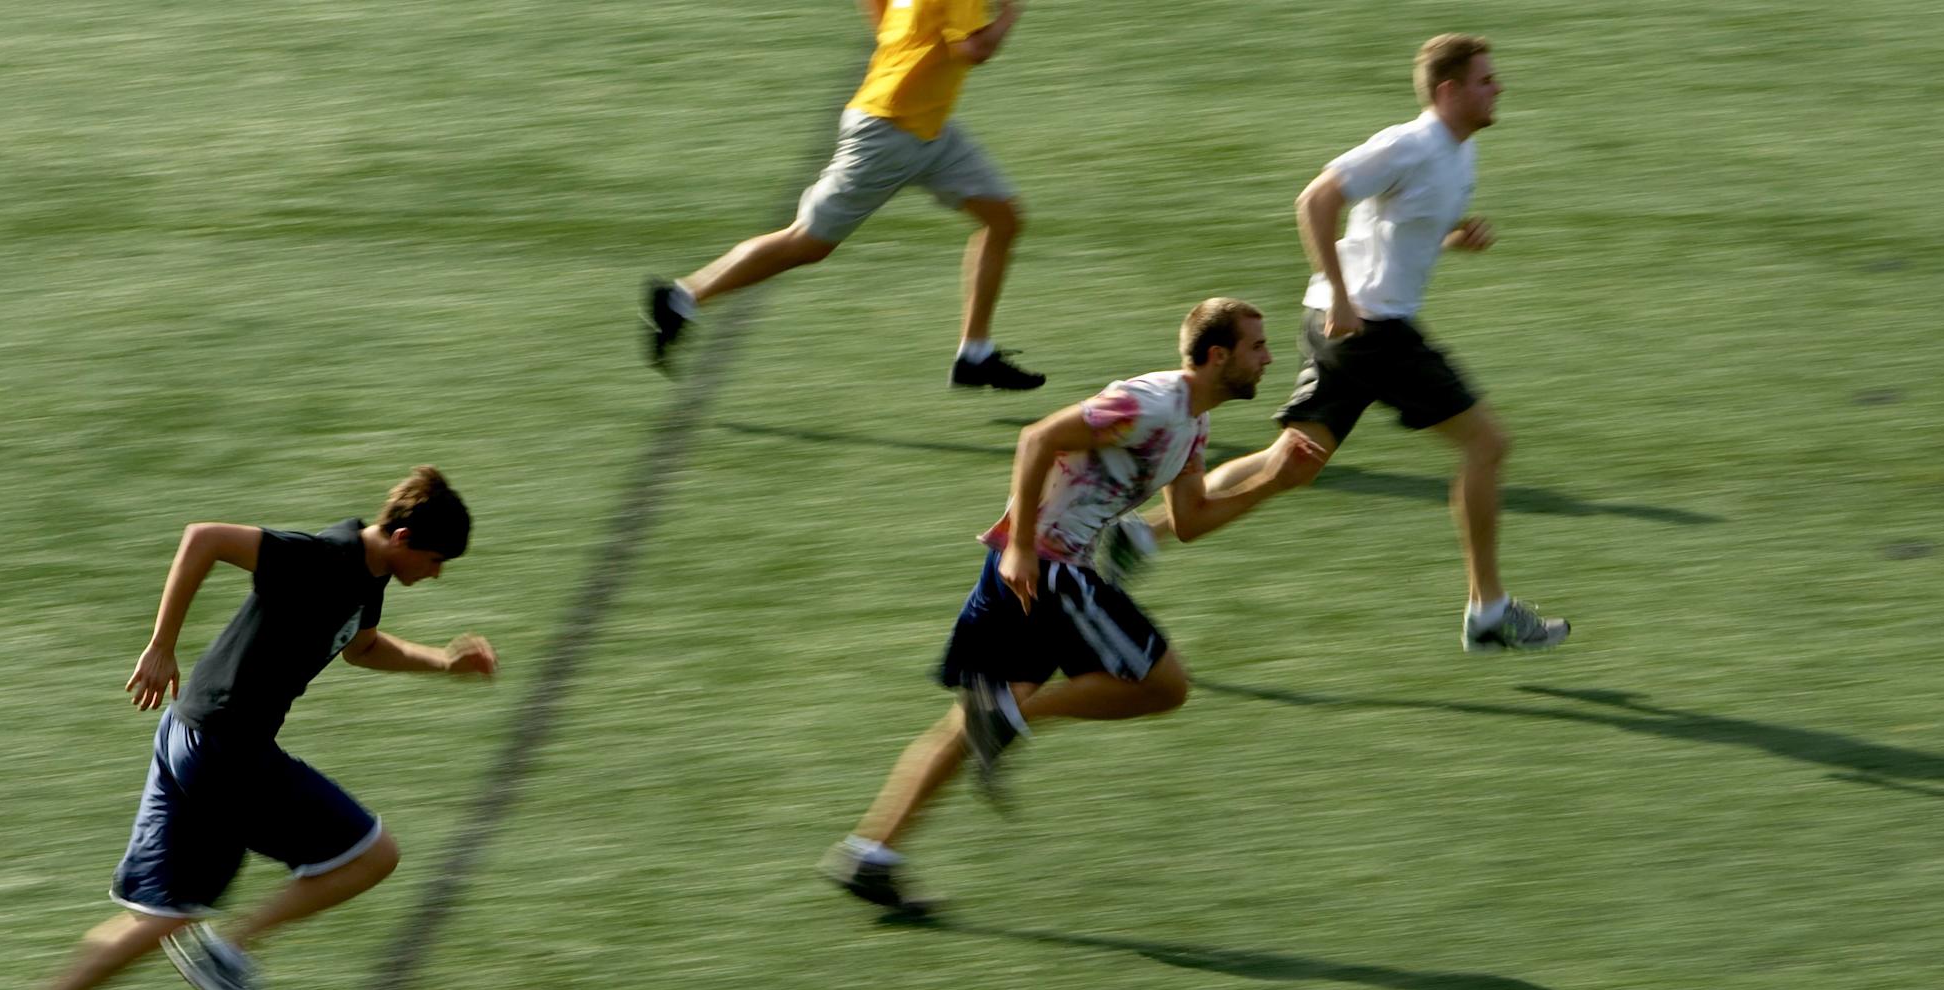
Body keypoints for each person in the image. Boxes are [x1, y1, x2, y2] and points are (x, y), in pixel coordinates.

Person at [0, 467, 499, 990]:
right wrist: (161, 644)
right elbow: (205, 538)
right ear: (404, 538)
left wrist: (444, 662)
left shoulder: (368, 577)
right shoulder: (323, 557)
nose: (437, 574)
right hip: (225, 747)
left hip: (188, 734)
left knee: (164, 914)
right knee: (372, 854)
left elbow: (363, 647)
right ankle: (233, 950)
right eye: (436, 561)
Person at [823, 298, 1329, 915]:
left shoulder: (1192, 424)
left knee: (966, 723)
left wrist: (1273, 483)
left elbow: (1190, 520)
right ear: (1218, 356)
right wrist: (1023, 549)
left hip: (1040, 571)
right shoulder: (1148, 405)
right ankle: (1011, 717)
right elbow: (1038, 437)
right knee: (1164, 685)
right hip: (1049, 568)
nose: (1270, 357)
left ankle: (871, 852)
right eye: (1258, 347)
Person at [1134, 33, 1568, 652]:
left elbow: (1393, 234)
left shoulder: (1458, 153)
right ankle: (1488, 610)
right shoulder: (1408, 144)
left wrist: (1450, 241)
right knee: (1488, 444)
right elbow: (1315, 200)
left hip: (1355, 326)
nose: (1498, 87)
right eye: (1485, 80)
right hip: (1368, 329)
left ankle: (1143, 535)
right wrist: (1340, 296)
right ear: (1449, 92)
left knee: (1294, 462)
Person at [645, 0, 1045, 391]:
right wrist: (1010, 12)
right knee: (805, 242)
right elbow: (974, 49)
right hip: (888, 134)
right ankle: (682, 298)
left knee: (1003, 218)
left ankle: (974, 354)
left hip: (928, 126)